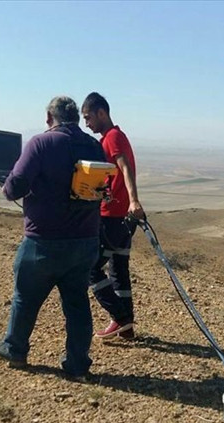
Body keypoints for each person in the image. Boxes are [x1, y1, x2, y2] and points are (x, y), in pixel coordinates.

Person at [0, 96, 106, 378]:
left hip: (43, 242)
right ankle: (78, 365)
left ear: (48, 118)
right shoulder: (94, 146)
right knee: (77, 303)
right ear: (76, 118)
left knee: (25, 298)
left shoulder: (40, 144)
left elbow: (14, 187)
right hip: (85, 241)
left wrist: (8, 185)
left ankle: (15, 349)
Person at [81, 92, 145, 340]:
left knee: (90, 268)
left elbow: (125, 166)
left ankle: (120, 318)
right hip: (121, 217)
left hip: (114, 217)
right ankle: (126, 327)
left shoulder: (113, 137)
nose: (87, 124)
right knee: (119, 269)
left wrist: (134, 200)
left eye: (88, 117)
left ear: (102, 113)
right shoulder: (111, 137)